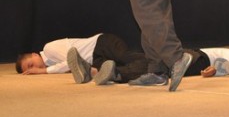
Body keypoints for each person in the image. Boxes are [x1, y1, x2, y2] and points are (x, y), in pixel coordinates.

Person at [15, 33, 148, 85]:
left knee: (127, 58)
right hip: (95, 61)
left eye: (31, 65)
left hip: (101, 44)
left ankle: (152, 62)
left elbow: (71, 60)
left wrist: (44, 71)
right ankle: (112, 73)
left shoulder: (48, 49)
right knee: (113, 73)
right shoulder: (53, 65)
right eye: (30, 71)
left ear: (35, 55)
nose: (35, 69)